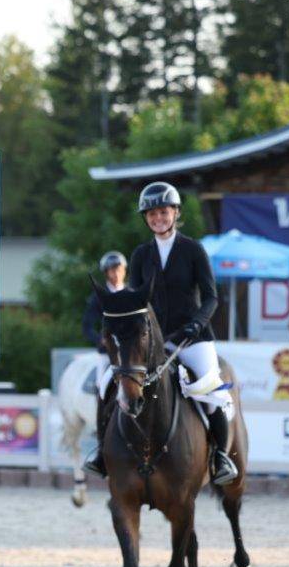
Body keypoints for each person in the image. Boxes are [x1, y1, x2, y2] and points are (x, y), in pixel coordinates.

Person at [84, 181, 238, 485]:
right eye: (152, 214)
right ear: (146, 218)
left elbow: (211, 297)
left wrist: (196, 323)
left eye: (163, 212)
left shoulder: (193, 250)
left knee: (210, 389)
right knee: (106, 385)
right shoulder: (141, 254)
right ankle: (102, 451)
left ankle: (220, 456)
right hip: (153, 341)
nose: (158, 218)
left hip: (192, 338)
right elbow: (136, 300)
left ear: (175, 213)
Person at [81, 251, 127, 473]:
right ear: (106, 273)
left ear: (124, 271)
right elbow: (87, 326)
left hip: (129, 354)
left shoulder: (131, 294)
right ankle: (101, 447)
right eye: (111, 271)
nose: (115, 274)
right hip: (107, 355)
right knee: (103, 389)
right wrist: (100, 340)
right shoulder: (98, 297)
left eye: (118, 270)